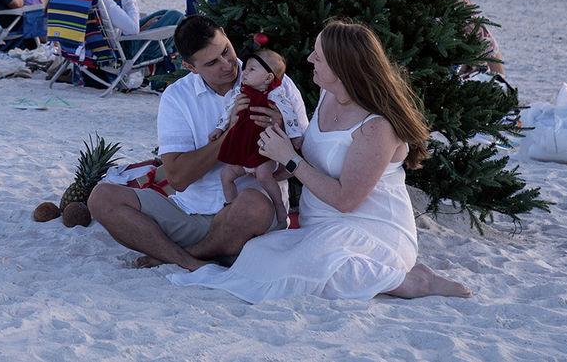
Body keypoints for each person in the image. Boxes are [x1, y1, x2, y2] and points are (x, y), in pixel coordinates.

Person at [168, 19, 473, 300]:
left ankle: (416, 282)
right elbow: (313, 162)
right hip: (320, 229)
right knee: (259, 253)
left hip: (370, 231)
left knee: (309, 272)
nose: (310, 60)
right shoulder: (329, 95)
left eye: (319, 57)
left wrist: (289, 158)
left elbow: (345, 200)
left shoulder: (377, 126)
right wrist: (272, 162)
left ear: (342, 69)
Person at [88, 16, 309, 270]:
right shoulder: (177, 96)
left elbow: (301, 159)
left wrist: (279, 129)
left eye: (226, 50)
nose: (227, 65)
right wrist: (231, 133)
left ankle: (184, 256)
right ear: (191, 67)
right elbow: (178, 178)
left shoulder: (277, 86)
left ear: (225, 34)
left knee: (252, 203)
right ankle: (196, 258)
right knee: (101, 198)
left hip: (251, 220)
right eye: (212, 63)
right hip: (190, 216)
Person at [214, 49, 303, 227]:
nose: (244, 72)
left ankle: (278, 205)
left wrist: (295, 136)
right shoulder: (242, 94)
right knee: (226, 175)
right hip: (242, 149)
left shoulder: (275, 95)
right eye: (245, 69)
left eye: (252, 70)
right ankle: (231, 206)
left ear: (269, 78)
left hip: (263, 149)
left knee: (264, 176)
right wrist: (219, 127)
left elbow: (290, 114)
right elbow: (229, 109)